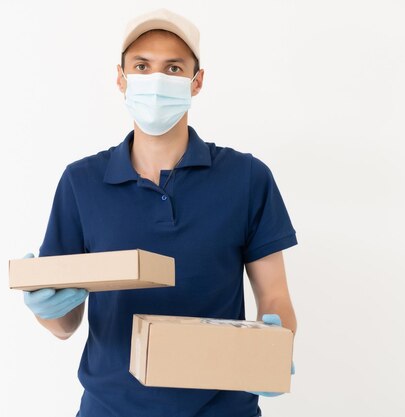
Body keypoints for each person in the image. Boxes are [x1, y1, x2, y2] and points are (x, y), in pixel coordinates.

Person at [21, 8, 298, 417]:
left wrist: (274, 352)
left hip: (223, 409)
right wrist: (49, 309)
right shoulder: (81, 182)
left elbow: (274, 294)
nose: (156, 81)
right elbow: (66, 326)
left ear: (196, 81)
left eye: (172, 68)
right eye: (142, 66)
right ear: (121, 78)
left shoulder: (246, 177)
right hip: (109, 408)